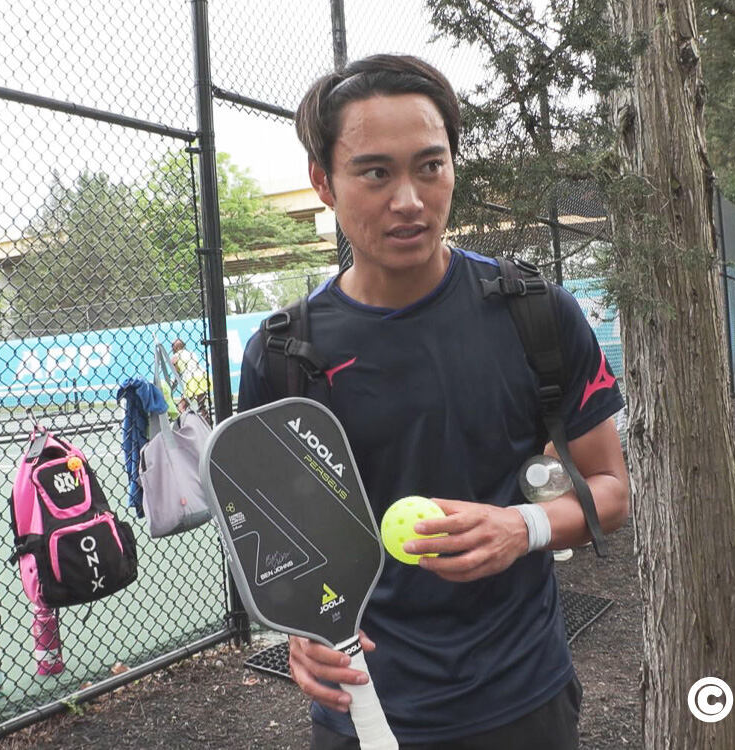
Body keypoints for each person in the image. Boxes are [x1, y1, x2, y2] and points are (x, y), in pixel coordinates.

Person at [238, 55, 629, 750]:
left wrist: (522, 528)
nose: (410, 200)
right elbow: (282, 551)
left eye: (430, 166)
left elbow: (610, 490)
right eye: (375, 173)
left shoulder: (537, 313)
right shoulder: (282, 358)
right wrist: (301, 632)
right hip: (363, 713)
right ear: (323, 181)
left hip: (524, 701)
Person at [170, 339, 211, 417]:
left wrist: (171, 389)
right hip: (202, 376)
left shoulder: (175, 357)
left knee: (182, 406)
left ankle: (183, 422)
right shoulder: (191, 353)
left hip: (191, 380)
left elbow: (176, 376)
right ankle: (207, 422)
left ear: (175, 348)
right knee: (202, 406)